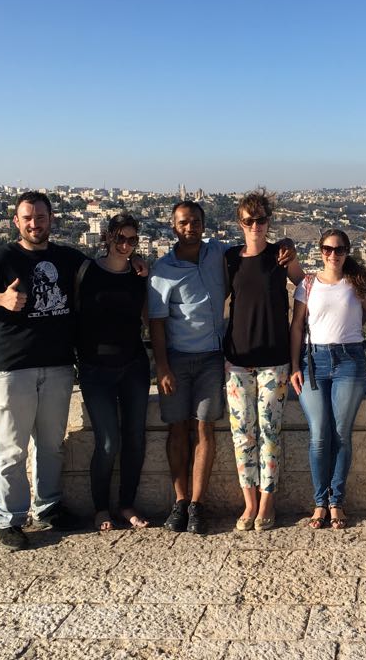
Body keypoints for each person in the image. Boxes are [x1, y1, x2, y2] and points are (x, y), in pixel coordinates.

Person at [0, 191, 87, 550]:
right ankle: (9, 519)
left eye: (40, 217)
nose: (34, 224)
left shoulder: (66, 257)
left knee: (51, 446)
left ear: (51, 219)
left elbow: (103, 270)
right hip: (12, 370)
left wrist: (134, 264)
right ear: (17, 221)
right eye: (27, 218)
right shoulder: (2, 258)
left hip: (57, 367)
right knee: (12, 449)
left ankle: (49, 507)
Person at [289, 229, 366, 529]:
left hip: (349, 361)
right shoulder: (307, 284)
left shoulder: (356, 284)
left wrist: (354, 324)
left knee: (341, 433)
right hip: (312, 362)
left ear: (347, 251)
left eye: (340, 249)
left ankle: (336, 502)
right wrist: (294, 365)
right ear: (320, 251)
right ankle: (320, 503)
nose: (334, 254)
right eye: (328, 249)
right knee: (319, 433)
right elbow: (296, 327)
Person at [224, 189, 304, 531]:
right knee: (243, 434)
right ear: (240, 223)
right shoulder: (229, 259)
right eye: (248, 220)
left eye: (260, 220)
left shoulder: (281, 255)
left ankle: (267, 504)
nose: (255, 225)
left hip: (275, 359)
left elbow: (306, 287)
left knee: (270, 432)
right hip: (237, 360)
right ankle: (249, 502)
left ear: (268, 222)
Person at [148, 201, 229, 535]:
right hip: (178, 359)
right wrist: (162, 367)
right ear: (173, 227)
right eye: (183, 222)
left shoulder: (218, 254)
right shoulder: (161, 270)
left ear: (204, 224)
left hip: (213, 357)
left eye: (195, 221)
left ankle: (197, 504)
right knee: (177, 429)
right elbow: (156, 323)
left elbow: (253, 251)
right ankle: (180, 501)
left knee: (204, 428)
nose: (190, 227)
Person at [76, 213, 151, 532]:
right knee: (108, 442)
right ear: (107, 237)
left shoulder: (139, 274)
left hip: (134, 365)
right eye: (120, 238)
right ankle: (100, 508)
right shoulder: (87, 271)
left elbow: (149, 316)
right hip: (96, 369)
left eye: (132, 240)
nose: (125, 245)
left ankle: (127, 505)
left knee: (135, 439)